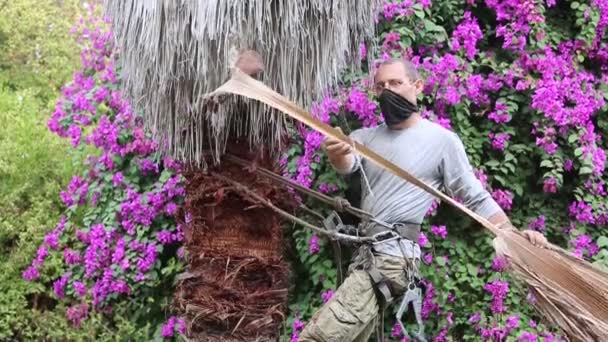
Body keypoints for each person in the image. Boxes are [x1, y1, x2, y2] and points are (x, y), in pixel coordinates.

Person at [296, 58, 547, 342]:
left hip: (393, 259)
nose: (388, 90)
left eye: (395, 83)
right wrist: (337, 151)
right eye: (381, 86)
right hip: (366, 256)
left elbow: (474, 195)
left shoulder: (441, 141)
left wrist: (511, 234)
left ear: (418, 86)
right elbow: (346, 164)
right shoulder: (364, 138)